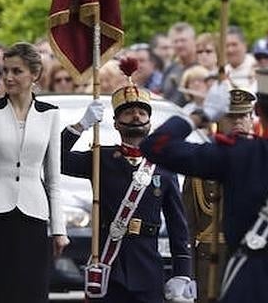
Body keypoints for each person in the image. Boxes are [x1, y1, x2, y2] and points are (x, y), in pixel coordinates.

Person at [140, 67, 268, 303]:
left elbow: (155, 145)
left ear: (257, 111)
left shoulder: (236, 155)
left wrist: (201, 114)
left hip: (249, 281)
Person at [61, 78, 193, 302]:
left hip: (147, 266)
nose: (136, 116)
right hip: (108, 264)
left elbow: (177, 224)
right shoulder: (100, 158)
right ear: (116, 123)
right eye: (128, 112)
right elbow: (57, 159)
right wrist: (80, 125)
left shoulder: (164, 165)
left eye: (142, 112)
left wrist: (182, 271)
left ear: (150, 123)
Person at [0, 42, 69, 303]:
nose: (8, 77)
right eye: (5, 70)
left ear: (35, 74)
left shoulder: (50, 115)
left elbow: (53, 178)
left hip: (34, 215)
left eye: (17, 71)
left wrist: (59, 228)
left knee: (31, 291)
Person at [181, 88, 256, 303]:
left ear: (251, 118)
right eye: (231, 116)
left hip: (251, 258)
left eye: (243, 115)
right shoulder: (202, 164)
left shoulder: (264, 161)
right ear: (219, 120)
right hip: (210, 261)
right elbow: (188, 225)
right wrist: (188, 273)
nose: (238, 121)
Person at [161, 22, 198, 106]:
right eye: (175, 41)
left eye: (183, 40)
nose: (179, 45)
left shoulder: (202, 69)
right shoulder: (170, 68)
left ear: (194, 40)